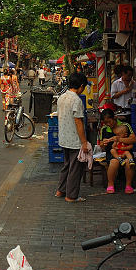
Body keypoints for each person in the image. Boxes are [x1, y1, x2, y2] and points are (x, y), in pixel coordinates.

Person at [54, 72, 90, 203]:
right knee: (75, 169)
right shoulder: (76, 100)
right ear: (81, 86)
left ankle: (61, 190)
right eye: (84, 87)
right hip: (74, 140)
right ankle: (71, 195)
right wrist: (84, 142)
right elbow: (78, 122)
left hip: (64, 138)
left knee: (67, 166)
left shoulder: (62, 97)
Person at [97, 108, 136, 194]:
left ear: (114, 118)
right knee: (114, 161)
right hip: (112, 153)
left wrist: (120, 139)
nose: (108, 124)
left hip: (125, 151)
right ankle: (110, 184)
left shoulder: (125, 126)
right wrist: (103, 144)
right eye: (106, 123)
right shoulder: (104, 129)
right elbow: (101, 146)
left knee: (128, 161)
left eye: (109, 121)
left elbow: (133, 139)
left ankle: (128, 185)